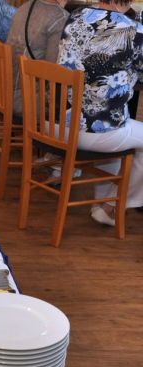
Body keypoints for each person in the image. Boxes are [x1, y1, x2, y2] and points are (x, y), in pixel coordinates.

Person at [58, 0, 143, 225]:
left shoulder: (76, 16)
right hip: (97, 132)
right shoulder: (134, 30)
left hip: (62, 124)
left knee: (117, 124)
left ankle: (103, 205)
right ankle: (112, 205)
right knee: (117, 124)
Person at [7, 0, 69, 116]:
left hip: (5, 93)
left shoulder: (23, 8)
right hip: (27, 101)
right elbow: (53, 70)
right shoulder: (60, 18)